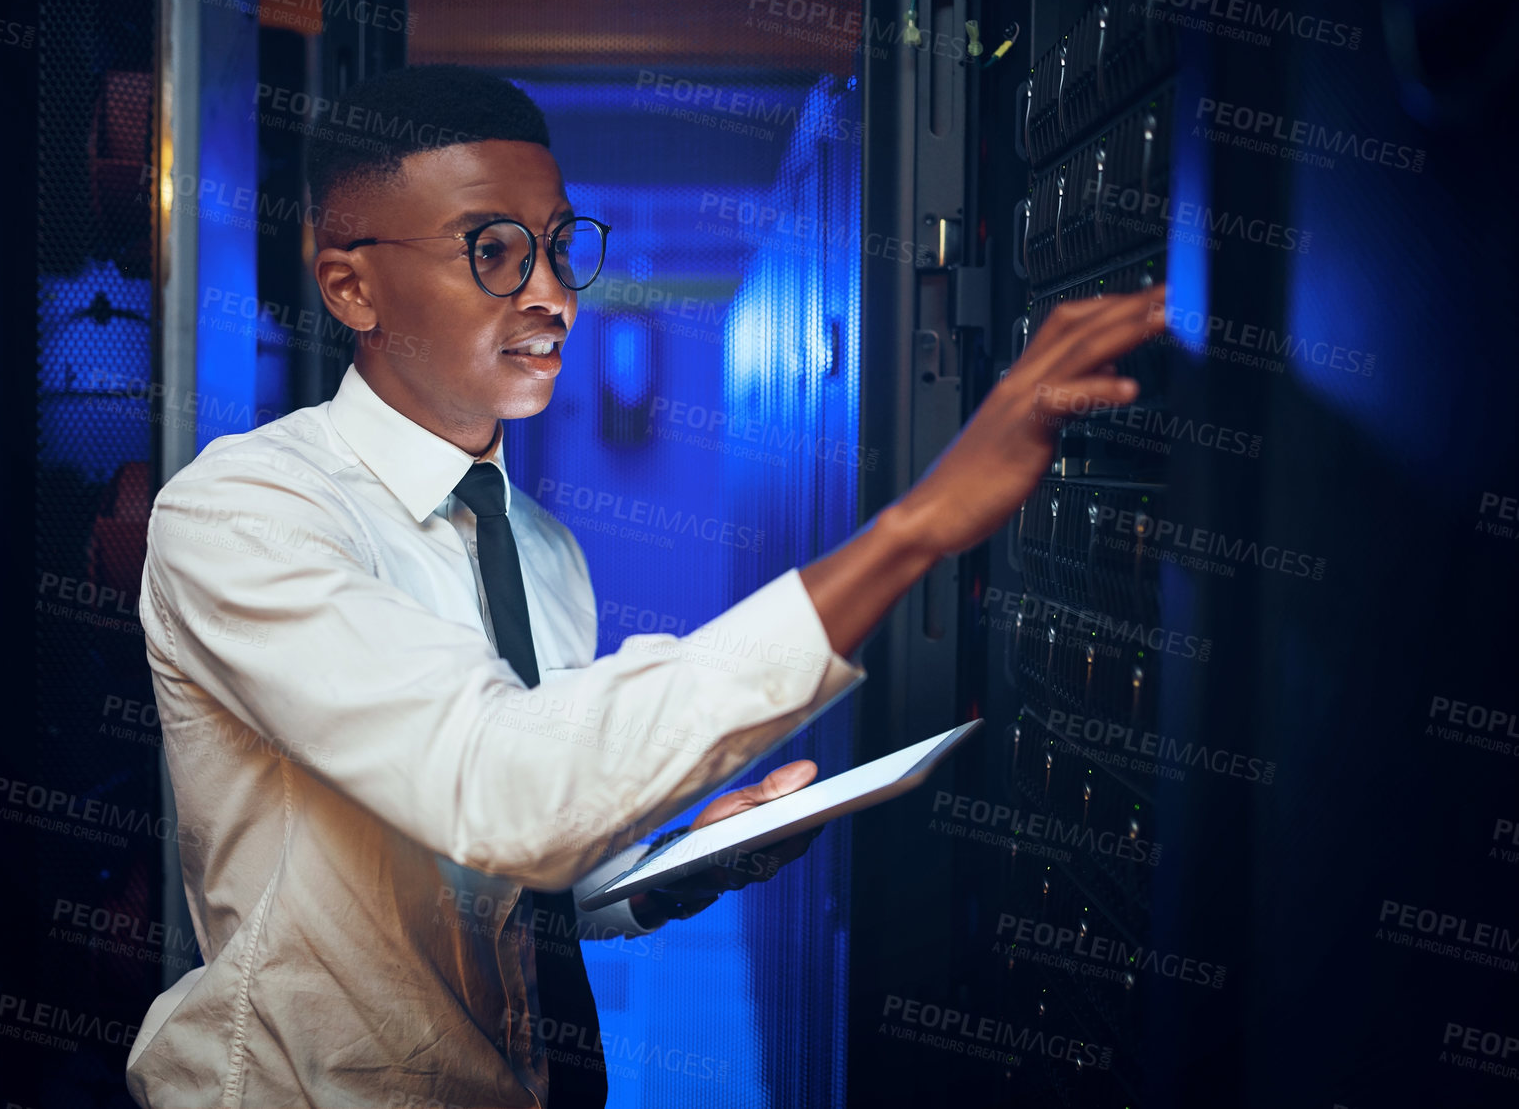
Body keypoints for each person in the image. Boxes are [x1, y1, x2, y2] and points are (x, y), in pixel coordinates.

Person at [123, 63, 1165, 1109]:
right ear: (352, 286)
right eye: (492, 251)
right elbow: (503, 791)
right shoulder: (246, 515)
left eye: (559, 245)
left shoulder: (541, 550)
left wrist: (682, 858)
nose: (550, 294)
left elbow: (534, 882)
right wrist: (916, 526)